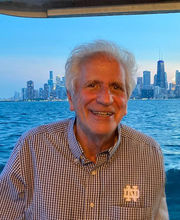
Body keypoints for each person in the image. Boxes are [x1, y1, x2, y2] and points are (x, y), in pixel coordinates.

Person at [0, 40, 169, 219]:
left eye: (116, 87)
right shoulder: (32, 147)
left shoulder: (149, 154)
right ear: (71, 98)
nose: (105, 99)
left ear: (126, 101)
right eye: (92, 85)